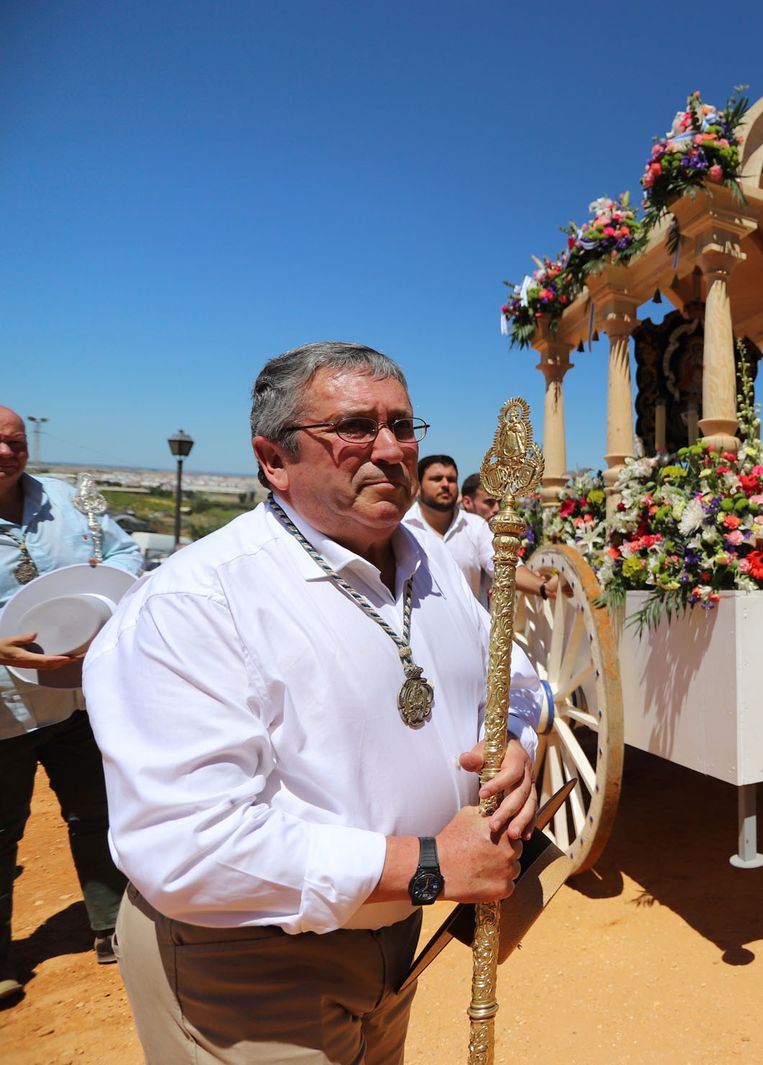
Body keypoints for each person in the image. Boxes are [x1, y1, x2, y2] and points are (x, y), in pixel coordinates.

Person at [84, 343, 553, 1064]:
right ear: (274, 458)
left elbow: (515, 674)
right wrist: (427, 862)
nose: (392, 449)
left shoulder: (431, 564)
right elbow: (186, 844)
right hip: (251, 971)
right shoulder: (195, 603)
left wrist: (517, 738)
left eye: (403, 423)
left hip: (396, 943)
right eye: (356, 427)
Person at [0, 405, 143, 1005]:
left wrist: (102, 587)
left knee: (95, 812)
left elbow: (127, 553)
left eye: (16, 440)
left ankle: (112, 926)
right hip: (3, 709)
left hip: (77, 692)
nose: (9, 451)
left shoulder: (65, 499)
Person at [402, 455, 545, 604]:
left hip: (468, 625)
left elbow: (504, 564)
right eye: (437, 479)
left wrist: (543, 587)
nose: (445, 484)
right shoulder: (403, 527)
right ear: (418, 487)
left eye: (451, 479)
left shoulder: (476, 526)